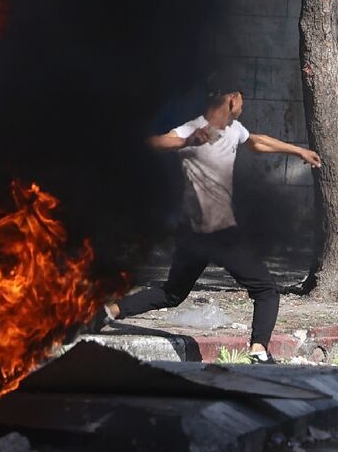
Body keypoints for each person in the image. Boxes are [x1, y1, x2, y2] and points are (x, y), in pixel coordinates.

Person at [98, 74, 322, 364]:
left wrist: (297, 150)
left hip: (192, 234)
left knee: (172, 293)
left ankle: (110, 312)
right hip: (218, 234)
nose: (243, 106)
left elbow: (256, 142)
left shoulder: (233, 128)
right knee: (266, 289)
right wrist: (188, 140)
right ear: (232, 99)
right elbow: (154, 142)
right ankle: (258, 351)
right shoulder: (193, 129)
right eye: (242, 99)